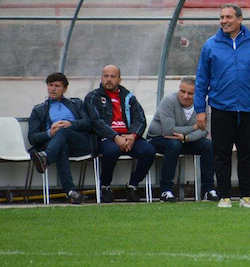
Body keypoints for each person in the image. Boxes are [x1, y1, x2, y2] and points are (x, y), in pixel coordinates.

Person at [194, 4, 250, 208]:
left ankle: (246, 196)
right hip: (221, 108)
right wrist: (200, 110)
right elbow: (201, 79)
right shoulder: (210, 45)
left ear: (240, 19)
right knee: (221, 153)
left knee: (247, 153)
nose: (224, 21)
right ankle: (224, 196)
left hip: (249, 108)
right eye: (221, 17)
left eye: (228, 17)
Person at [84, 65, 156, 203]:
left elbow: (140, 118)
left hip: (128, 137)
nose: (109, 79)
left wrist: (133, 136)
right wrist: (115, 137)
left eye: (113, 76)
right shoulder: (93, 97)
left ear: (119, 79)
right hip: (106, 137)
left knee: (149, 151)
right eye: (106, 76)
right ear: (101, 78)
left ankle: (132, 185)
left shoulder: (128, 97)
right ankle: (105, 186)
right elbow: (95, 121)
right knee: (111, 151)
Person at [147, 77, 218, 202]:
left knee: (208, 145)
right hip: (158, 138)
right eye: (182, 91)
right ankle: (166, 190)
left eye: (190, 93)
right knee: (174, 145)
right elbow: (169, 130)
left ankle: (208, 190)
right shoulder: (169, 101)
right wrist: (194, 127)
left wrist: (186, 137)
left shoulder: (203, 106)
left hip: (184, 140)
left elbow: (204, 131)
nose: (185, 96)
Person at [28, 72, 94, 204]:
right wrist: (49, 133)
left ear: (65, 89)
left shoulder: (76, 103)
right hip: (56, 143)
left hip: (79, 142)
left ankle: (45, 157)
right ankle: (71, 192)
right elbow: (33, 138)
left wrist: (71, 124)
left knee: (63, 131)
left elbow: (88, 123)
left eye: (57, 86)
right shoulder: (38, 110)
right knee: (61, 146)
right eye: (50, 85)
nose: (53, 89)